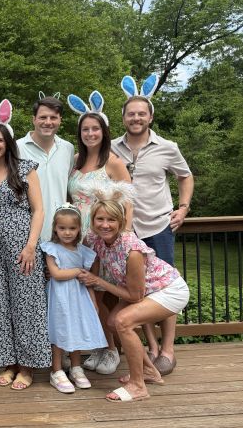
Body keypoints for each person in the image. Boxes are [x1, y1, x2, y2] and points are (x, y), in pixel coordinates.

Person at [112, 77, 193, 376]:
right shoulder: (111, 147)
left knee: (166, 285)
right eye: (131, 114)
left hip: (159, 226)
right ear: (123, 117)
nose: (136, 118)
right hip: (126, 231)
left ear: (150, 117)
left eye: (141, 113)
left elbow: (185, 176)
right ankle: (152, 347)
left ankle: (168, 350)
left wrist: (183, 207)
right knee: (137, 289)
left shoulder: (167, 147)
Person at [0, 105, 50, 391]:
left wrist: (31, 246)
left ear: (8, 144)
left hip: (21, 248)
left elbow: (39, 210)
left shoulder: (25, 169)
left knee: (26, 305)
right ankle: (8, 363)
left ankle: (27, 367)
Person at [80, 197, 190, 402]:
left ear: (121, 222)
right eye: (100, 219)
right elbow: (77, 251)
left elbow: (135, 296)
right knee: (112, 322)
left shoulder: (132, 249)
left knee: (122, 321)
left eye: (111, 220)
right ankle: (149, 371)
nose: (105, 225)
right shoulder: (95, 239)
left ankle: (138, 386)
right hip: (143, 289)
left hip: (169, 289)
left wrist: (98, 281)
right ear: (92, 220)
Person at [66, 98, 133, 376]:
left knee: (102, 296)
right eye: (85, 129)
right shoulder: (75, 161)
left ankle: (112, 349)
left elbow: (128, 201)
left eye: (95, 129)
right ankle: (97, 346)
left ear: (104, 132)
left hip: (104, 236)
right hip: (77, 238)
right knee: (84, 295)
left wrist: (123, 235)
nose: (90, 133)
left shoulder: (113, 163)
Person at [40, 204, 107, 394]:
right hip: (59, 298)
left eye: (72, 228)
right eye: (62, 228)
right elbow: (56, 274)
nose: (67, 232)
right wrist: (78, 270)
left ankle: (76, 368)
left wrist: (93, 302)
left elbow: (89, 281)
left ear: (79, 229)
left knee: (76, 330)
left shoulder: (83, 251)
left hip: (79, 298)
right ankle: (56, 370)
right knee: (59, 331)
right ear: (55, 228)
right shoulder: (51, 249)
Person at [17, 95, 74, 242]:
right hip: (26, 234)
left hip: (60, 235)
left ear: (60, 120)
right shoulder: (17, 148)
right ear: (34, 119)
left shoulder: (68, 149)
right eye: (43, 117)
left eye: (53, 117)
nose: (48, 122)